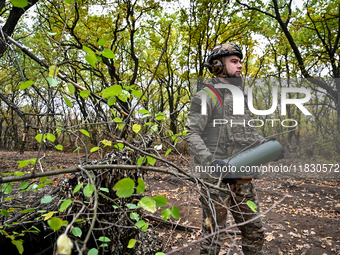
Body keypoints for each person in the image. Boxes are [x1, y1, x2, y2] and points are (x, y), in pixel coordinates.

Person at [185, 43, 265, 255]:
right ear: (218, 65)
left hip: (242, 175)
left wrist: (266, 145)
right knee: (213, 236)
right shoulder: (206, 96)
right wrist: (211, 162)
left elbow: (248, 132)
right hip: (216, 178)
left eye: (240, 61)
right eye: (234, 61)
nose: (240, 66)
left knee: (254, 231)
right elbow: (191, 133)